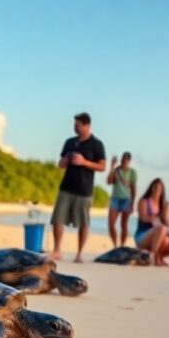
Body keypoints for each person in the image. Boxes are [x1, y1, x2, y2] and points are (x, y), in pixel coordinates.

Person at [50, 112, 106, 263]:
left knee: (83, 223)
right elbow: (60, 165)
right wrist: (67, 159)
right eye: (74, 125)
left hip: (84, 190)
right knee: (57, 219)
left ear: (87, 125)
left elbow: (102, 166)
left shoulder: (97, 144)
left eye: (78, 125)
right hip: (66, 187)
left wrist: (84, 162)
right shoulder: (69, 142)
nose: (75, 128)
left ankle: (79, 253)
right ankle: (57, 250)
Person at [134, 178, 169, 266]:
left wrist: (166, 212)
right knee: (162, 229)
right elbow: (143, 218)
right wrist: (158, 216)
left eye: (159, 188)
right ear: (151, 188)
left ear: (162, 190)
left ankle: (159, 257)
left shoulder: (163, 205)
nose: (157, 190)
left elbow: (168, 225)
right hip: (142, 236)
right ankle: (152, 257)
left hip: (159, 235)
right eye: (155, 187)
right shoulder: (144, 201)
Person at [106, 151, 138, 248]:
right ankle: (115, 245)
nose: (124, 162)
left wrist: (132, 203)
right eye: (123, 159)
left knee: (124, 224)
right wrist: (111, 166)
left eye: (126, 160)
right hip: (115, 198)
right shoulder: (116, 170)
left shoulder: (132, 172)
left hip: (126, 199)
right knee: (111, 224)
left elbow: (133, 188)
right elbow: (109, 182)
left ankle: (122, 245)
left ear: (129, 161)